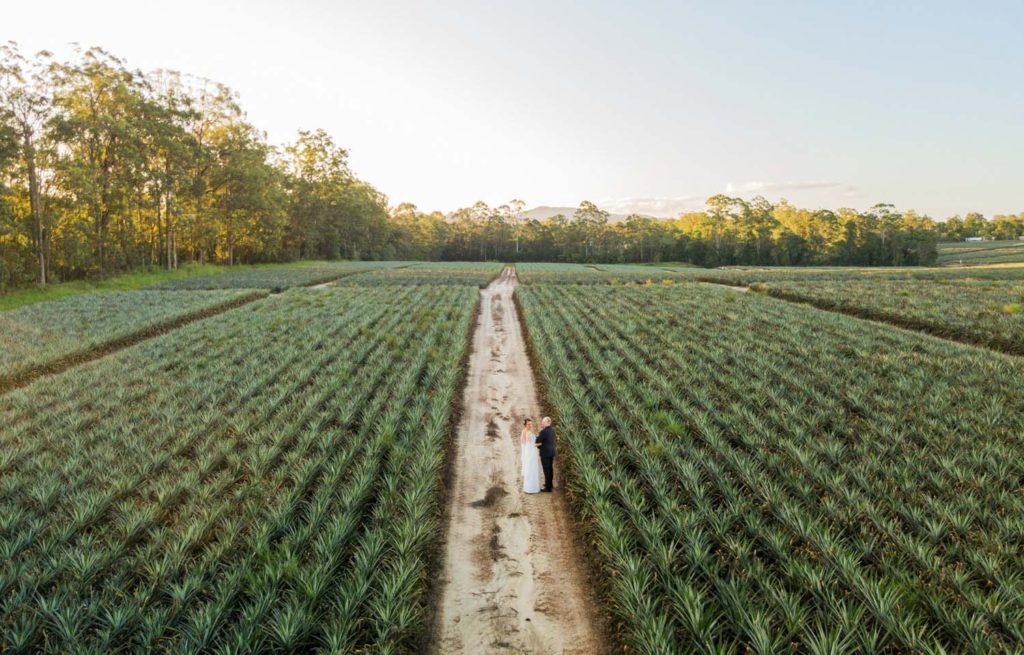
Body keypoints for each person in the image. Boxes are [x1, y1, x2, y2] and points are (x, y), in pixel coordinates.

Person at [535, 416, 556, 492]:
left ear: (548, 422)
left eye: (543, 422)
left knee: (546, 470)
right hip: (551, 452)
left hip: (545, 453)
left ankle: (548, 488)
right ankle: (550, 484)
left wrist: (539, 435)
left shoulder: (543, 432)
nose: (542, 423)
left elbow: (537, 441)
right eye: (542, 422)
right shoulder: (553, 430)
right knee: (550, 469)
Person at [520, 418, 541, 493]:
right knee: (531, 469)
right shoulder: (528, 433)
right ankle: (532, 488)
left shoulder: (523, 431)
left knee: (529, 469)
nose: (530, 425)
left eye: (531, 424)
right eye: (528, 424)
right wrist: (542, 443)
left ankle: (527, 488)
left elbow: (523, 443)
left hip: (527, 452)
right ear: (525, 424)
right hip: (531, 453)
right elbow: (533, 444)